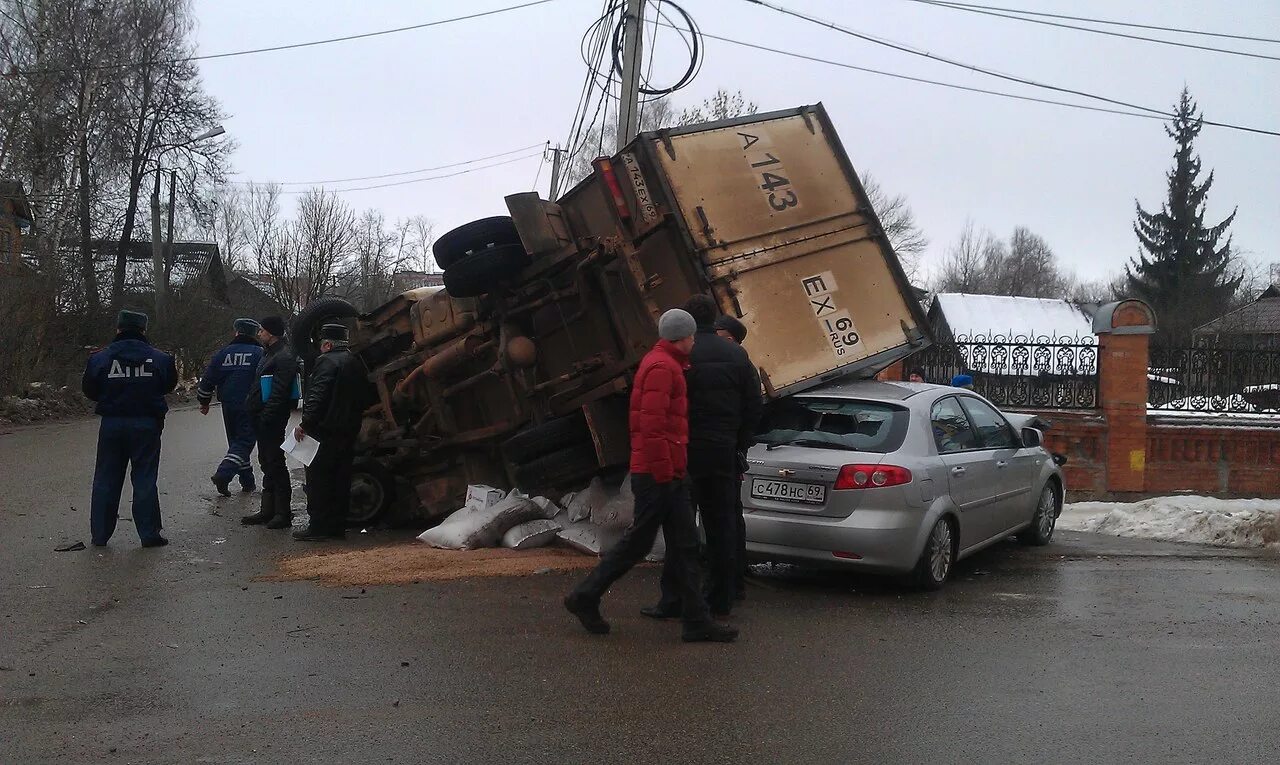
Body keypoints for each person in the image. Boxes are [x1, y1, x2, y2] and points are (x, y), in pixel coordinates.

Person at [565, 309, 738, 643]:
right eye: (691, 337)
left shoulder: (666, 363)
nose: (694, 341)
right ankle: (584, 596)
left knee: (684, 544)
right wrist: (667, 473)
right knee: (639, 543)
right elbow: (652, 427)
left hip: (666, 471)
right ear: (682, 337)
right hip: (660, 473)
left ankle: (696, 620)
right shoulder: (662, 368)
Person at [644, 295, 762, 619]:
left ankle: (673, 599)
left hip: (683, 451)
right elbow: (754, 405)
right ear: (714, 318)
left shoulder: (681, 354)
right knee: (721, 526)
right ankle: (721, 600)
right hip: (721, 451)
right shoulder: (738, 356)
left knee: (680, 528)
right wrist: (738, 444)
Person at [82, 310, 178, 547]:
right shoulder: (161, 359)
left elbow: (90, 390)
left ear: (118, 329)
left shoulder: (100, 358)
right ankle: (149, 534)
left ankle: (100, 534)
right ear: (143, 330)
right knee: (145, 478)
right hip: (147, 424)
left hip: (112, 423)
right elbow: (168, 384)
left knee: (106, 477)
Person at [292, 323, 372, 542]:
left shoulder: (326, 362)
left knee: (319, 480)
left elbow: (318, 395)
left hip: (325, 431)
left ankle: (318, 527)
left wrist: (305, 424)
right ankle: (337, 527)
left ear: (327, 344)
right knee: (341, 479)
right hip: (348, 431)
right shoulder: (354, 361)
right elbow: (366, 396)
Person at [242, 315, 300, 530]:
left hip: (271, 418)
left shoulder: (283, 357)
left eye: (262, 330)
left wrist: (267, 416)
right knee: (267, 461)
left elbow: (280, 391)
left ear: (272, 333)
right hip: (262, 416)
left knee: (275, 462)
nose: (259, 333)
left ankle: (282, 513)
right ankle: (268, 510)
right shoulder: (270, 353)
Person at [713, 313, 755, 601]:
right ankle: (729, 578)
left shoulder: (739, 362)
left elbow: (752, 409)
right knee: (727, 515)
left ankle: (733, 577)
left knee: (728, 515)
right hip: (727, 449)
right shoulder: (736, 362)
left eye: (722, 337)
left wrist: (739, 447)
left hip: (727, 451)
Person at [196, 318, 264, 496]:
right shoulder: (259, 353)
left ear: (237, 332)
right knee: (244, 442)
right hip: (250, 405)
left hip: (228, 406)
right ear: (254, 333)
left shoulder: (222, 353)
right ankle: (224, 474)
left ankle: (247, 482)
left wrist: (204, 402)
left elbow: (208, 379)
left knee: (236, 443)